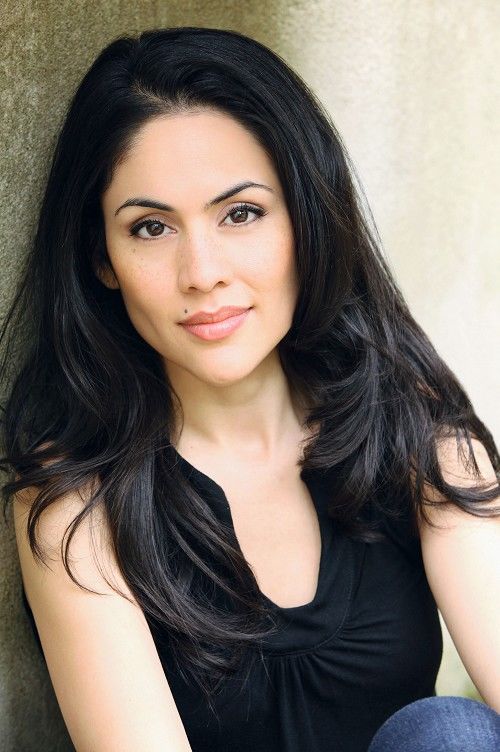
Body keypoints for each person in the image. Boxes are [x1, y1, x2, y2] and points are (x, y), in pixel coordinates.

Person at [1, 26, 499, 752]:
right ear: (101, 258)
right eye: (150, 228)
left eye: (241, 214)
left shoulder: (409, 424)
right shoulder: (78, 495)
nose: (202, 272)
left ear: (308, 219)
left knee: (449, 731)